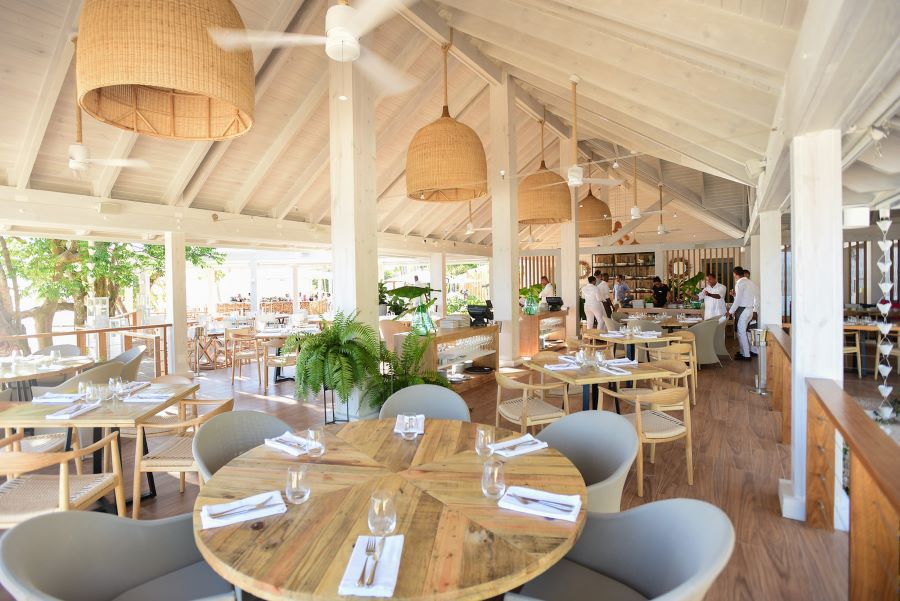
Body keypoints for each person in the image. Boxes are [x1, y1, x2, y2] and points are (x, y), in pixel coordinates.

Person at [728, 266, 754, 360]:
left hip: (743, 310)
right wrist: (735, 295)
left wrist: (730, 312)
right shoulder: (750, 282)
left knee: (741, 332)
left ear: (735, 274)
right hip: (750, 310)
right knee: (742, 332)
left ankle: (746, 355)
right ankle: (743, 352)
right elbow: (743, 297)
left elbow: (738, 300)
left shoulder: (740, 283)